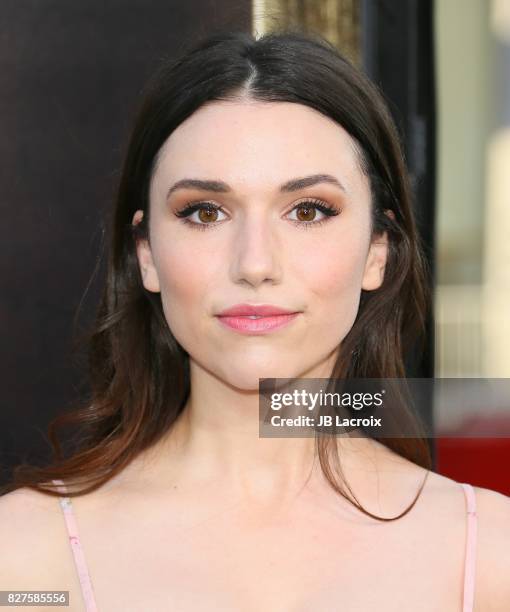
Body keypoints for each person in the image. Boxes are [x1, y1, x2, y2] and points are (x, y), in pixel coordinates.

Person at [1, 28, 509, 612]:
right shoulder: (24, 565)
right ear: (146, 254)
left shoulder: (489, 557)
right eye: (205, 212)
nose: (255, 264)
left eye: (309, 210)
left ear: (378, 250)